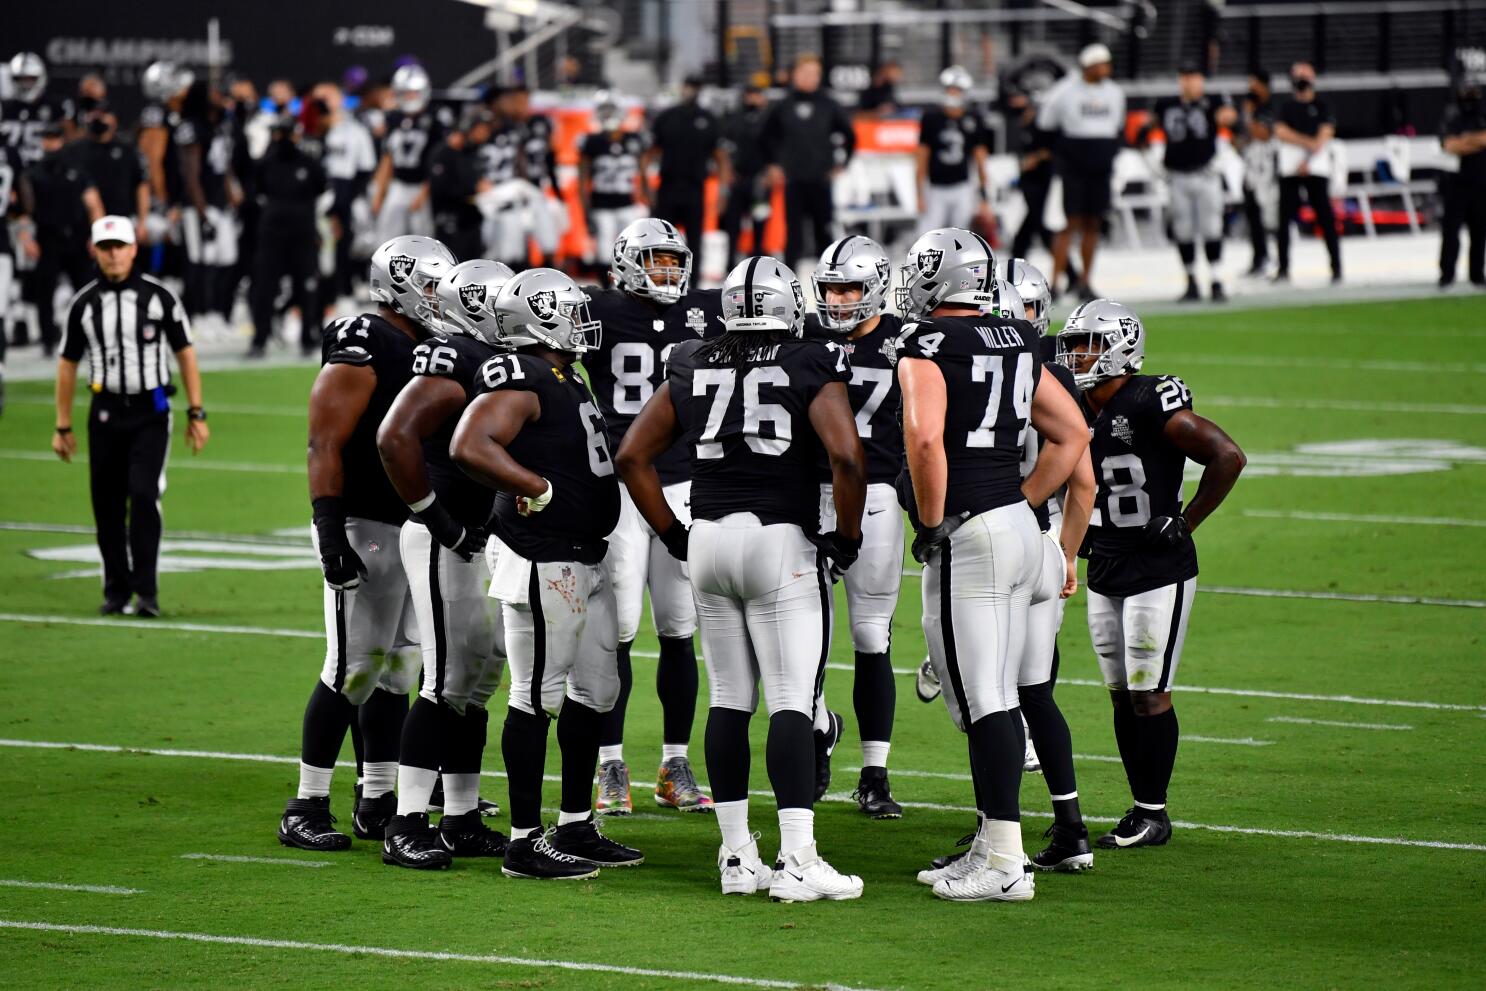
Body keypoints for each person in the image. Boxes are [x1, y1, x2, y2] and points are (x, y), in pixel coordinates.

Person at [613, 256, 867, 902]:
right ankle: (798, 859)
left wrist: (674, 533)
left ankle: (735, 856)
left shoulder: (693, 359)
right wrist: (848, 535)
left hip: (710, 539)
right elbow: (845, 455)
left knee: (729, 697)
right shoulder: (811, 359)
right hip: (778, 539)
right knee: (788, 697)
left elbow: (631, 455)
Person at [896, 228, 1088, 903]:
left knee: (985, 700)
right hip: (1015, 525)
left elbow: (923, 438)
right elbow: (1072, 434)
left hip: (968, 533)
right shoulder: (1019, 339)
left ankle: (1006, 861)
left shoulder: (924, 343)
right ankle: (991, 840)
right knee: (996, 693)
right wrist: (1024, 497)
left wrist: (930, 518)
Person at [450, 267, 643, 879]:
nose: (584, 321)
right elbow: (470, 443)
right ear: (538, 316)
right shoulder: (524, 373)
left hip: (584, 552)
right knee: (537, 696)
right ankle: (523, 839)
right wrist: (534, 485)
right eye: (570, 310)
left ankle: (576, 825)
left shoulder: (565, 371)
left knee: (597, 690)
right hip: (541, 555)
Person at [277, 235, 452, 854]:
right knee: (352, 666)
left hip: (409, 524)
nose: (442, 297)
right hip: (364, 522)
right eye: (432, 285)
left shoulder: (426, 344)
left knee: (399, 668)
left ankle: (377, 798)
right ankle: (306, 803)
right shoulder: (366, 338)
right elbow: (324, 441)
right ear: (399, 284)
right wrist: (329, 529)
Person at [1055, 299, 1246, 848]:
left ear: (1119, 347)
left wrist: (1184, 521)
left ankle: (1153, 813)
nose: (1077, 355)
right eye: (1074, 344)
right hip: (1106, 561)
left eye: (1088, 344)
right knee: (1119, 693)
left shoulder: (1148, 400)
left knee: (1148, 691)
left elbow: (1227, 455)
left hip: (1157, 566)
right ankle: (1140, 808)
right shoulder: (1074, 403)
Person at [376, 259, 514, 868]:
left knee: (476, 681)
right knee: (441, 681)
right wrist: (436, 516)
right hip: (444, 536)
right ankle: (404, 821)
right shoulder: (450, 355)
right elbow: (394, 436)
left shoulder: (491, 359)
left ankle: (459, 815)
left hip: (479, 536)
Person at [582, 218, 722, 816]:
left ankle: (674, 761)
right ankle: (609, 763)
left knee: (678, 628)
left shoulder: (706, 311)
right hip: (618, 485)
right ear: (628, 261)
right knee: (617, 629)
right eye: (655, 260)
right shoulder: (595, 310)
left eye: (673, 260)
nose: (667, 271)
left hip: (686, 482)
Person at [52, 217, 209, 617]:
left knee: (143, 494)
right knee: (106, 504)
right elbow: (68, 363)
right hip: (104, 413)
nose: (114, 254)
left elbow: (185, 352)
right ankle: (116, 590)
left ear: (134, 248)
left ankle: (147, 591)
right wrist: (62, 424)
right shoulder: (84, 304)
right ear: (95, 251)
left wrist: (196, 411)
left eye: (120, 245)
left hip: (150, 412)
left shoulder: (159, 298)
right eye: (106, 247)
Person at [803, 235, 905, 817]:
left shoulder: (907, 339)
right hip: (811, 494)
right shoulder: (806, 338)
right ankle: (817, 727)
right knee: (806, 632)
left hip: (876, 495)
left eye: (850, 289)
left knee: (871, 636)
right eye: (831, 289)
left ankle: (875, 772)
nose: (838, 300)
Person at [1038, 43, 1125, 301]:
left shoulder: (1115, 93)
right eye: (1102, 64)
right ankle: (1055, 283)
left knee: (1093, 223)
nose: (1106, 69)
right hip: (1074, 165)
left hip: (1101, 165)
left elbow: (1116, 127)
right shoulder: (1065, 91)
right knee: (1067, 224)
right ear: (1089, 66)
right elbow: (1046, 124)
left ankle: (1085, 282)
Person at [1147, 63, 1237, 302]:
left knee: (1211, 227)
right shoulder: (1166, 105)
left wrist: (1223, 118)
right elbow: (1145, 131)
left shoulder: (1213, 101)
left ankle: (1216, 280)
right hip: (1177, 175)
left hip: (1205, 174)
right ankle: (1191, 282)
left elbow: (1230, 120)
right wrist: (1155, 163)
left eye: (1195, 77)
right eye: (1186, 77)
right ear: (1180, 80)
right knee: (1183, 231)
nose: (1191, 82)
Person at [760, 54, 856, 267]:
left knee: (824, 231)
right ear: (795, 75)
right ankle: (789, 284)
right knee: (793, 235)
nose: (809, 78)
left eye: (814, 73)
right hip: (793, 179)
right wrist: (773, 165)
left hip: (821, 178)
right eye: (805, 73)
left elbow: (850, 136)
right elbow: (765, 137)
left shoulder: (829, 105)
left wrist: (843, 164)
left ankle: (829, 281)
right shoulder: (783, 105)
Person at [248, 115, 327, 358]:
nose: (281, 139)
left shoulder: (309, 163)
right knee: (265, 287)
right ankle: (260, 338)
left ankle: (308, 336)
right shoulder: (266, 164)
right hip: (272, 234)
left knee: (307, 286)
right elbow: (258, 191)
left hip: (302, 234)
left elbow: (320, 190)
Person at [25, 123, 102, 355]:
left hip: (76, 237)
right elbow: (25, 210)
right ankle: (48, 341)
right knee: (45, 292)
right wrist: (27, 238)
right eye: (47, 138)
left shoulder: (76, 169)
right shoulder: (34, 172)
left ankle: (91, 339)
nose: (52, 143)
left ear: (62, 140)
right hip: (47, 237)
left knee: (86, 290)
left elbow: (94, 204)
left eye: (55, 138)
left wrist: (97, 235)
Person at [174, 80, 240, 326]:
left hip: (220, 204)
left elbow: (224, 167)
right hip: (200, 207)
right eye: (213, 91)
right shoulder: (191, 127)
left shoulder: (222, 125)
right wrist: (203, 213)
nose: (219, 95)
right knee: (201, 261)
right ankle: (198, 316)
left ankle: (217, 314)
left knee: (226, 260)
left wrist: (232, 195)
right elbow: (190, 175)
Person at [1273, 62, 1342, 284]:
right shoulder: (1286, 107)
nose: (1302, 78)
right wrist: (1307, 143)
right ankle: (1283, 268)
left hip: (1316, 169)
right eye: (1298, 75)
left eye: (1305, 74)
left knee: (1326, 218)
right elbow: (1280, 131)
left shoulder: (1322, 106)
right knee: (1284, 220)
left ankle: (1336, 267)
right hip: (1291, 170)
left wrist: (1309, 151)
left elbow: (1325, 133)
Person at [645, 75, 728, 248]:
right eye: (688, 85)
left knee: (695, 239)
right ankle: (664, 275)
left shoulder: (708, 119)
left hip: (694, 186)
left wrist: (723, 192)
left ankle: (693, 275)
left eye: (695, 86)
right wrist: (646, 186)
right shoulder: (667, 117)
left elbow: (721, 158)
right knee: (664, 239)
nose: (690, 90)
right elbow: (650, 153)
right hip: (668, 185)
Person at [316, 82, 378, 307]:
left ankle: (344, 294)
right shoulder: (309, 129)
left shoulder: (355, 130)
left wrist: (351, 199)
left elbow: (365, 167)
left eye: (329, 96)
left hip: (344, 193)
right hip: (315, 193)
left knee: (345, 247)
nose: (324, 102)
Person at [579, 93, 649, 270]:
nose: (609, 115)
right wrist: (586, 208)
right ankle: (605, 290)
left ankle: (627, 288)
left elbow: (643, 173)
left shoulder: (633, 139)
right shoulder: (592, 141)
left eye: (612, 111)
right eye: (605, 111)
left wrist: (648, 199)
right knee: (604, 248)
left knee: (632, 248)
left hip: (627, 202)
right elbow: (583, 177)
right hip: (602, 203)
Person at [917, 66, 991, 233]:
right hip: (935, 187)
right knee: (926, 236)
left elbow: (980, 159)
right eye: (950, 89)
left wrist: (984, 196)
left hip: (962, 186)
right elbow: (921, 156)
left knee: (961, 236)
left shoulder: (973, 118)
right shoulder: (931, 117)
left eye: (957, 89)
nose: (953, 93)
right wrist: (920, 194)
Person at [371, 65, 439, 245]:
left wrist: (424, 193)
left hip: (422, 185)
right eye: (406, 92)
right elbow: (388, 158)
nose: (410, 97)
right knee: (386, 237)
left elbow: (438, 162)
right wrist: (379, 193)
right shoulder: (393, 118)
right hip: (398, 185)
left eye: (414, 92)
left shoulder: (434, 118)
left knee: (424, 240)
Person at [69, 102, 149, 238]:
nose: (98, 118)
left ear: (114, 119)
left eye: (103, 114)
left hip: (122, 221)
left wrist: (142, 221)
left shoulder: (128, 150)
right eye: (93, 114)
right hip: (83, 224)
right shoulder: (74, 150)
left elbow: (141, 186)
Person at [1439, 71, 1486, 288]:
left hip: (1481, 182)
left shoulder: (1482, 114)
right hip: (1455, 184)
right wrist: (1476, 142)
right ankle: (1447, 274)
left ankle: (1477, 274)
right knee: (1451, 231)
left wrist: (1466, 140)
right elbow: (1449, 145)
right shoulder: (1453, 116)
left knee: (1479, 230)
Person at [719, 84, 771, 269]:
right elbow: (724, 148)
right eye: (750, 94)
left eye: (757, 94)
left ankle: (758, 264)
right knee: (733, 224)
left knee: (760, 222)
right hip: (739, 179)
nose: (753, 99)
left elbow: (777, 150)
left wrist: (769, 173)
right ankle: (730, 265)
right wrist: (727, 173)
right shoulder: (735, 119)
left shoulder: (768, 120)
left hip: (760, 181)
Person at [426, 111, 490, 262]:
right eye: (480, 129)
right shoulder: (442, 153)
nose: (484, 134)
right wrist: (474, 190)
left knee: (474, 263)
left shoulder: (473, 153)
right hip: (451, 218)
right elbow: (440, 189)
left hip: (472, 218)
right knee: (451, 263)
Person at [1, 52, 74, 165]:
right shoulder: (4, 108)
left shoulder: (56, 107)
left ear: (41, 78)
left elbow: (73, 141)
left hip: (44, 171)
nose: (25, 85)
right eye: (20, 79)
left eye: (30, 79)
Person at [1239, 72, 1277, 276]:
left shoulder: (1270, 107)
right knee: (1253, 215)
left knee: (1271, 216)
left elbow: (1263, 134)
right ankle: (1259, 258)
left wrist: (1249, 117)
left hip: (1270, 171)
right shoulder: (1250, 109)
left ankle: (1278, 259)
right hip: (1252, 168)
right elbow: (1242, 139)